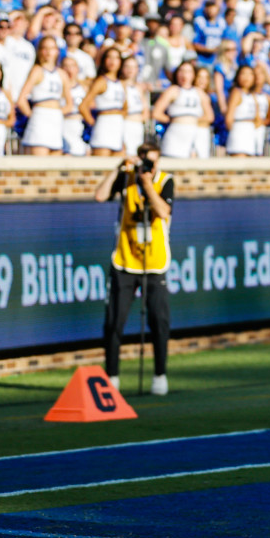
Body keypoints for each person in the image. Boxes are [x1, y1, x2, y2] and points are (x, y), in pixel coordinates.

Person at [93, 142, 174, 395]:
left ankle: (160, 376)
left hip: (154, 262)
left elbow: (163, 211)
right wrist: (117, 169)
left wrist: (148, 184)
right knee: (114, 322)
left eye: (153, 161)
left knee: (159, 322)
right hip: (125, 261)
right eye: (144, 162)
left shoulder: (165, 180)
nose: (148, 167)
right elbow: (100, 195)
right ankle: (112, 378)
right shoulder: (127, 178)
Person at [17, 35, 72, 156]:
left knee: (55, 162)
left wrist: (56, 113)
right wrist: (33, 115)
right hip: (40, 119)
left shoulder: (62, 74)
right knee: (39, 162)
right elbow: (21, 100)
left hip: (56, 120)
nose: (48, 52)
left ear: (57, 51)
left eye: (52, 48)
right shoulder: (37, 70)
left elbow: (69, 104)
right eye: (45, 48)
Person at [153, 60, 211, 158]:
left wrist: (191, 120)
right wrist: (174, 120)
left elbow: (209, 116)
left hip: (194, 134)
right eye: (181, 71)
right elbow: (156, 113)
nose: (184, 75)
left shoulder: (199, 93)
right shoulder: (172, 90)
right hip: (175, 134)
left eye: (188, 71)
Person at [81, 47, 127, 157]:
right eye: (109, 57)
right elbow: (83, 106)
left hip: (117, 127)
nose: (112, 61)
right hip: (103, 126)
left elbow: (126, 107)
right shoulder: (101, 81)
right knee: (102, 164)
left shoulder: (122, 83)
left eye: (116, 58)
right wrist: (94, 123)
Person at [224, 64, 259, 156]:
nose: (246, 77)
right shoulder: (236, 92)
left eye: (250, 74)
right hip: (239, 132)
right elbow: (229, 118)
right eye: (243, 74)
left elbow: (258, 118)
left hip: (250, 133)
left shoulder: (253, 95)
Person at [121, 55, 148, 156]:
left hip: (137, 127)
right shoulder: (120, 84)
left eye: (133, 67)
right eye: (127, 66)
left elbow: (145, 108)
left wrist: (142, 119)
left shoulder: (139, 87)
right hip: (125, 124)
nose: (130, 70)